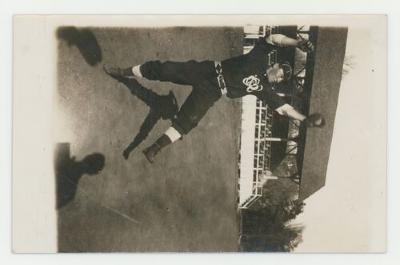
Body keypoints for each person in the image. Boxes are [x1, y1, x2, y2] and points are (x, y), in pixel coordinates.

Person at [104, 33, 324, 163]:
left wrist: (304, 119)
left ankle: (153, 149)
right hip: (207, 71)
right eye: (281, 71)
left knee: (188, 121)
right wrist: (297, 44)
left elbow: (284, 108)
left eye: (283, 78)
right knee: (164, 70)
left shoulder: (264, 89)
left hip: (212, 91)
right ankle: (123, 72)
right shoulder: (259, 58)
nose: (280, 77)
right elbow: (273, 38)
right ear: (275, 65)